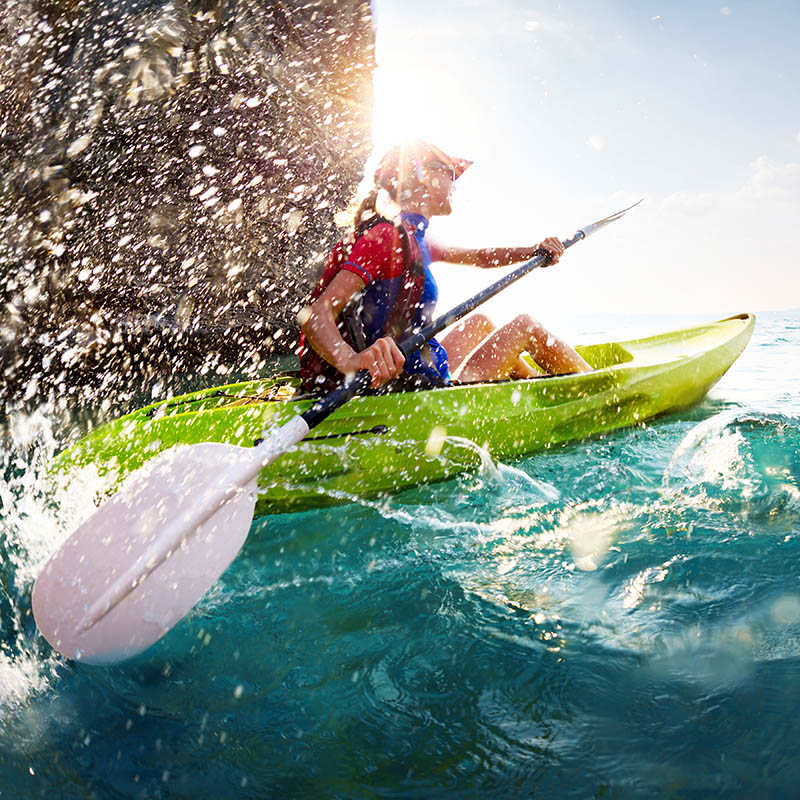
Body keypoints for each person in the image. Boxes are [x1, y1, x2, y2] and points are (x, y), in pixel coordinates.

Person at [298, 139, 591, 393]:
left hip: (419, 368)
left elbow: (480, 257)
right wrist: (351, 361)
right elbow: (316, 315)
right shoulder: (386, 238)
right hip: (408, 387)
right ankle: (593, 393)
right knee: (526, 326)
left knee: (482, 323)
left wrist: (533, 251)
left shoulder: (415, 238)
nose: (455, 184)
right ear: (422, 178)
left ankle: (538, 391)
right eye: (450, 173)